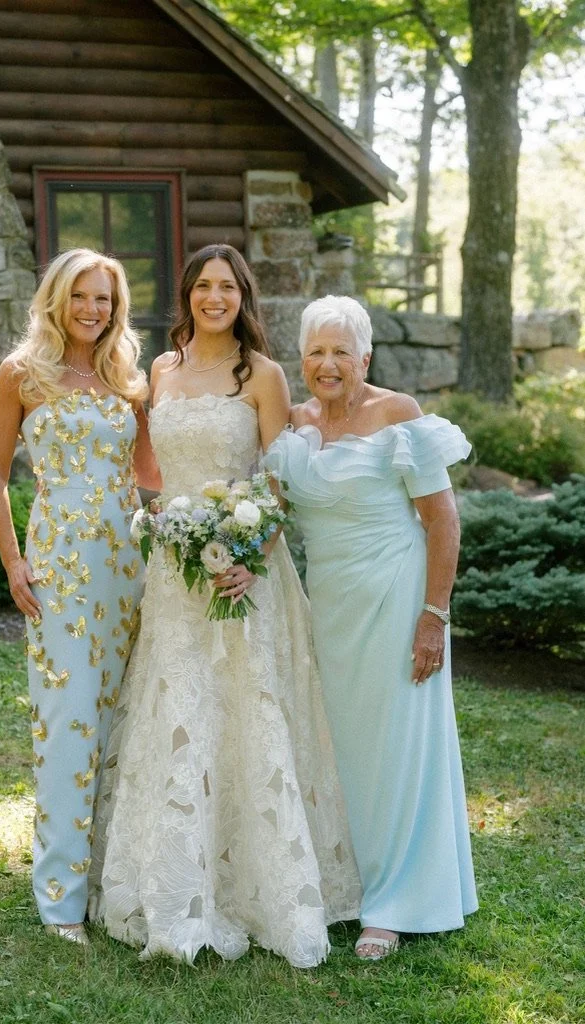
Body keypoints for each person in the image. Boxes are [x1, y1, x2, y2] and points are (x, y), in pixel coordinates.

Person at [88, 245, 361, 968]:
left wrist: (244, 555)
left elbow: (278, 484)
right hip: (174, 576)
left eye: (227, 287)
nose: (215, 297)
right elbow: (153, 471)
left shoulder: (264, 376)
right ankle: (174, 883)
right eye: (203, 286)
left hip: (244, 575)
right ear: (187, 295)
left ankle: (255, 888)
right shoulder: (161, 370)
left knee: (245, 715)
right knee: (176, 714)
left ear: (244, 296)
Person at [265, 295, 478, 961]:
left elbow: (442, 521)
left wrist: (432, 617)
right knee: (339, 748)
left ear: (365, 357)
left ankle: (392, 904)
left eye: (340, 352)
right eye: (315, 352)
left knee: (393, 749)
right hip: (327, 607)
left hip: (394, 597)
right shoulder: (293, 425)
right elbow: (269, 516)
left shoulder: (397, 416)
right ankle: (346, 885)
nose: (327, 365)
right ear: (301, 359)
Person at [0, 248, 160, 945]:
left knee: (120, 718)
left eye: (106, 300)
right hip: (57, 567)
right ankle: (60, 898)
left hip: (126, 566)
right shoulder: (22, 374)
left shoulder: (127, 379)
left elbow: (149, 472)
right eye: (82, 297)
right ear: (57, 299)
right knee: (68, 721)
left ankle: (114, 879)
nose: (94, 310)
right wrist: (13, 562)